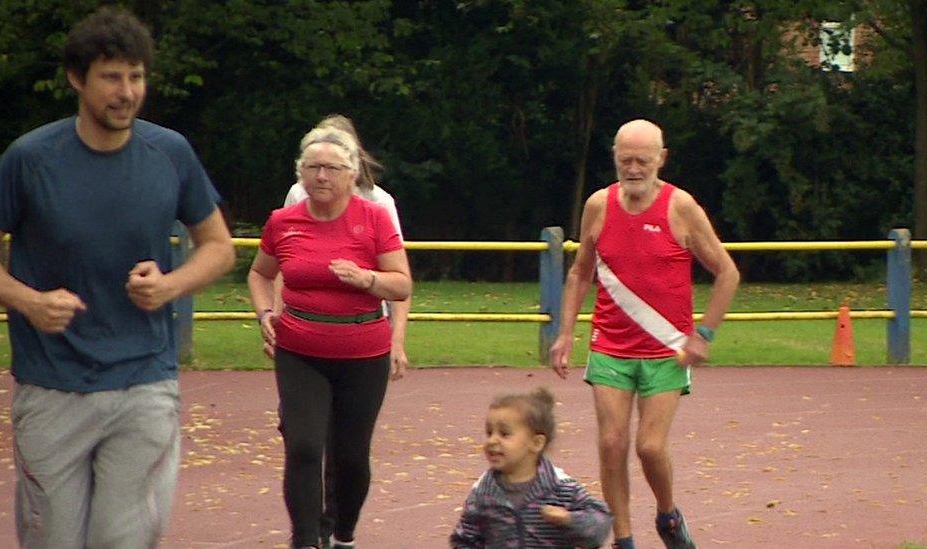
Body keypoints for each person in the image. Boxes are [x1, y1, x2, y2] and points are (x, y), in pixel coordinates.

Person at [0, 6, 235, 548]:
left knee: (123, 540)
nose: (126, 91)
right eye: (111, 77)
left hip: (144, 382)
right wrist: (29, 301)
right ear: (77, 80)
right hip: (51, 385)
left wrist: (171, 286)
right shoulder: (29, 160)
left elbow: (219, 248)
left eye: (136, 76)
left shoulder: (169, 154)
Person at [549, 119, 739, 549]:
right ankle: (624, 538)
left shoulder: (681, 207)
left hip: (666, 352)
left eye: (642, 160)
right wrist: (564, 335)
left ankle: (668, 516)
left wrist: (704, 333)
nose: (633, 168)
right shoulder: (599, 205)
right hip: (610, 347)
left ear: (661, 160)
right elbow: (580, 273)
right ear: (614, 158)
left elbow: (727, 272)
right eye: (625, 160)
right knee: (612, 442)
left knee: (649, 447)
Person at [247, 126, 411, 549]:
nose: (321, 176)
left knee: (351, 458)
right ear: (300, 173)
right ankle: (304, 539)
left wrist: (367, 278)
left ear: (351, 174)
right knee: (302, 446)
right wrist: (266, 312)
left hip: (363, 352)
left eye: (331, 168)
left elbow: (401, 284)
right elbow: (260, 273)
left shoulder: (373, 217)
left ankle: (343, 533)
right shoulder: (283, 222)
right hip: (300, 349)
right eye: (312, 167)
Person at [279, 114, 410, 379]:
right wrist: (273, 317)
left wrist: (397, 341)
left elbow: (399, 277)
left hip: (362, 328)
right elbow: (281, 264)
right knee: (301, 415)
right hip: (303, 332)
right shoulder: (298, 195)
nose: (322, 173)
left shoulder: (378, 203)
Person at [450, 387, 612, 548]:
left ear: (536, 443)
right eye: (489, 432)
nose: (492, 440)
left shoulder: (561, 488)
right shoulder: (483, 492)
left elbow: (599, 526)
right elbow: (464, 539)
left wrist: (569, 519)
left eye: (504, 434)